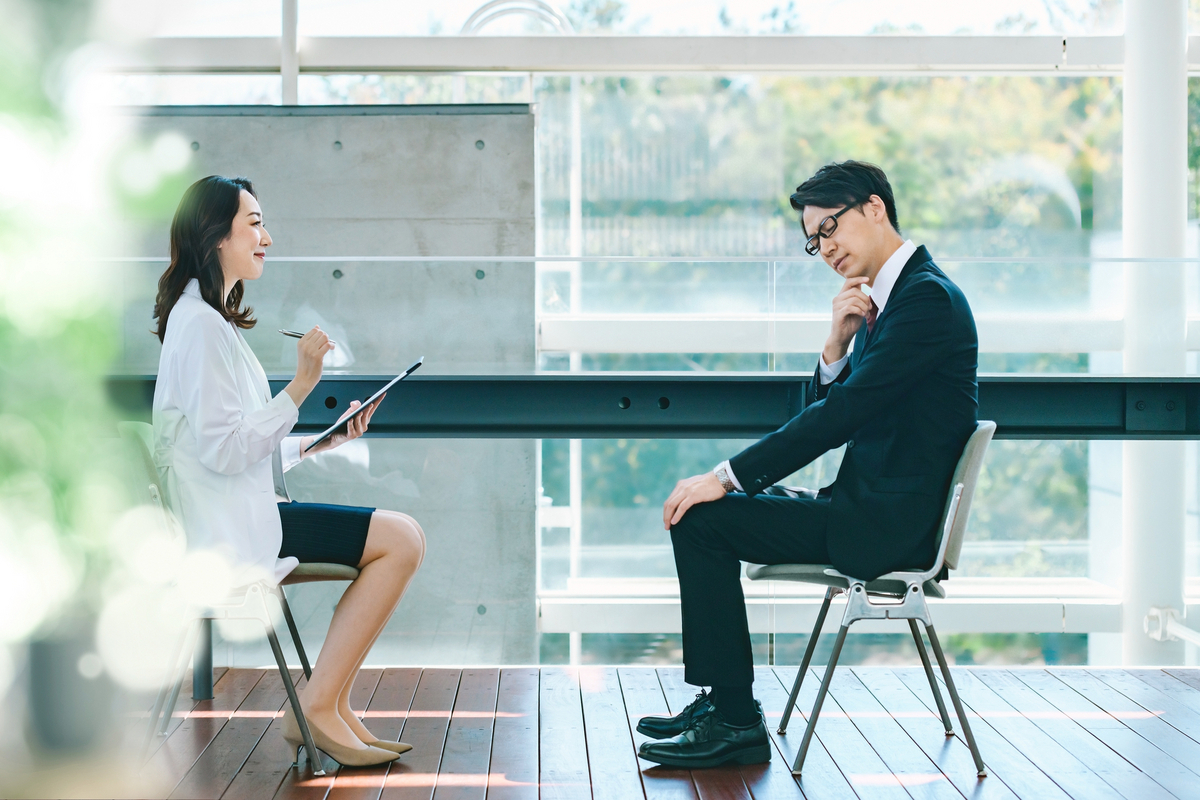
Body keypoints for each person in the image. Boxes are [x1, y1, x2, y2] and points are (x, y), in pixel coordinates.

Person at [636, 161, 978, 769]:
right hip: (867, 509)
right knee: (701, 516)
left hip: (884, 527)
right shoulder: (892, 299)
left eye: (830, 227)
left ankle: (735, 717)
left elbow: (840, 417)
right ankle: (727, 703)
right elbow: (846, 412)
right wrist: (834, 348)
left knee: (701, 519)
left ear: (875, 209)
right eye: (813, 239)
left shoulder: (925, 300)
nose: (824, 248)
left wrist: (725, 477)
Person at [151, 175, 426, 768]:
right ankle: (319, 705)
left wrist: (319, 443)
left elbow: (228, 449)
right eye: (254, 223)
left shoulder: (207, 321)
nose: (267, 237)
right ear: (215, 235)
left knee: (404, 534)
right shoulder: (198, 327)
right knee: (401, 539)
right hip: (233, 535)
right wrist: (301, 387)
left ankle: (331, 703)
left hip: (240, 514)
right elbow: (226, 451)